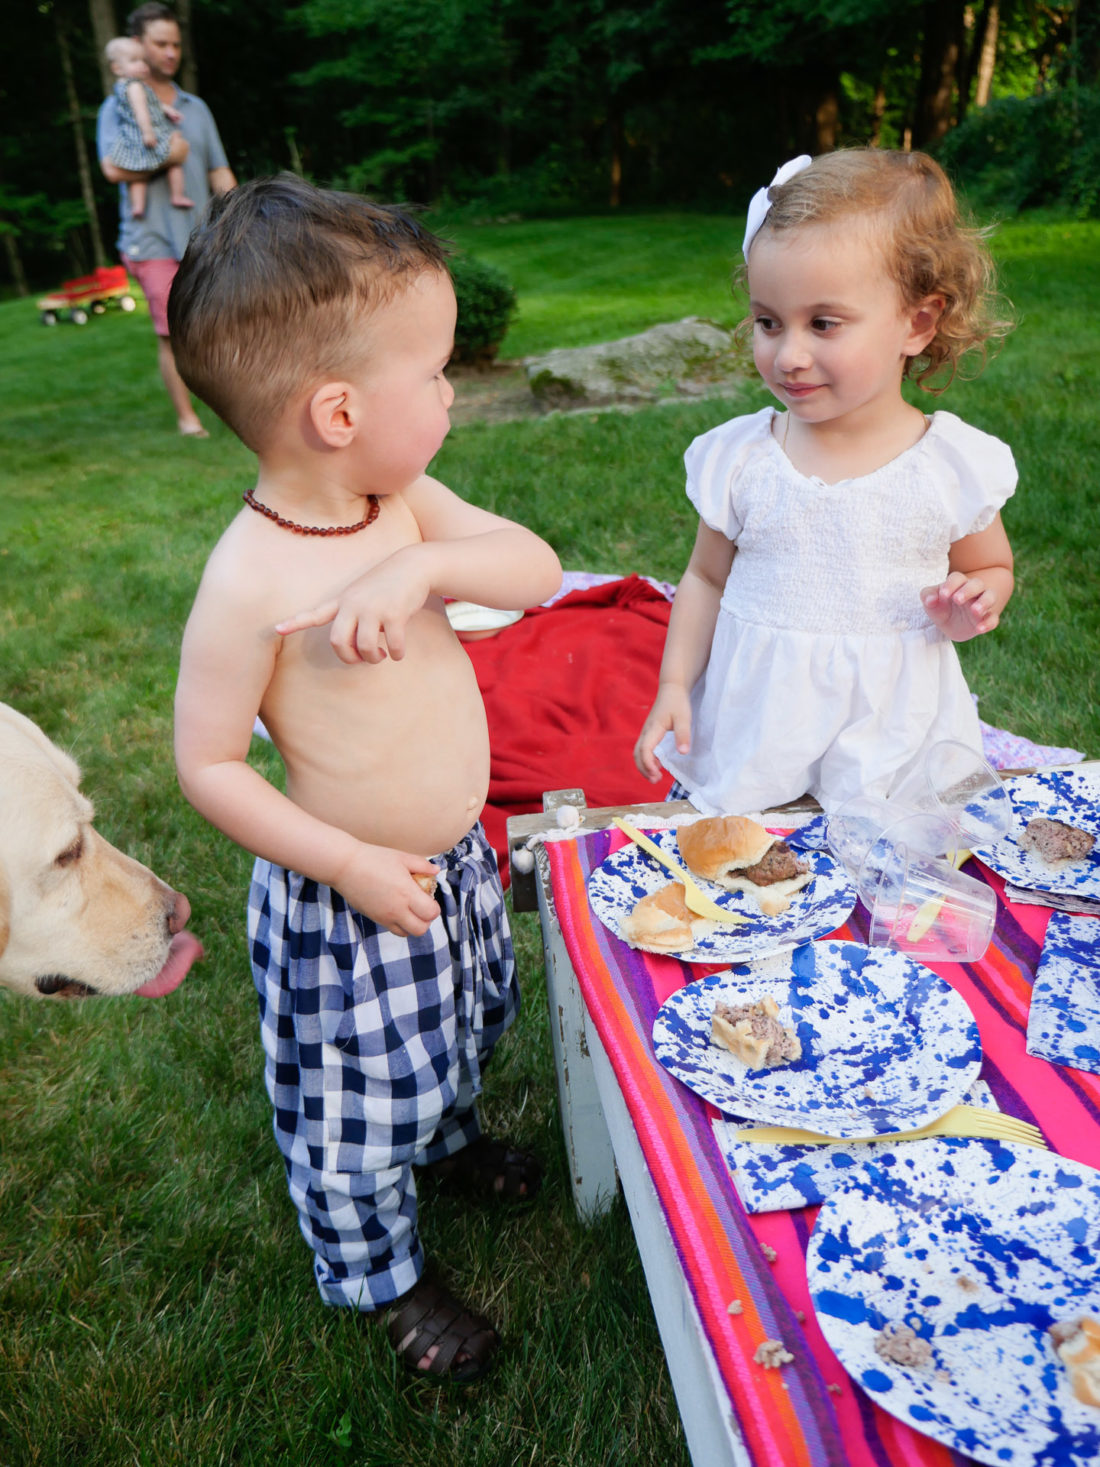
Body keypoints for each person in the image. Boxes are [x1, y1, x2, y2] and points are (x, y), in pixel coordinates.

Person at [169, 175, 563, 1382]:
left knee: (452, 1032)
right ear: (337, 411)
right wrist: (343, 860)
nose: (451, 391)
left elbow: (535, 568)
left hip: (448, 867)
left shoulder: (400, 506)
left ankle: (446, 1145)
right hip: (350, 899)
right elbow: (207, 764)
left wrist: (426, 567)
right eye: (435, 373)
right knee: (352, 1109)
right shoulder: (245, 585)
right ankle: (384, 1277)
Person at [634, 148, 1016, 816]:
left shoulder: (948, 465)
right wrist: (674, 683)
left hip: (896, 736)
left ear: (917, 323)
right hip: (762, 728)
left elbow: (991, 564)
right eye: (768, 322)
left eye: (824, 323)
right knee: (753, 870)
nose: (790, 355)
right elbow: (705, 579)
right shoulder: (746, 459)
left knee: (898, 880)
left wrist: (975, 599)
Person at [97, 3, 235, 437]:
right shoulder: (116, 106)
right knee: (171, 331)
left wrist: (242, 216)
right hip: (151, 238)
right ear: (138, 44)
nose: (171, 52)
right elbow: (112, 170)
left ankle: (233, 408)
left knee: (218, 325)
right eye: (161, 43)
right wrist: (168, 156)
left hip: (202, 235)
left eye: (176, 44)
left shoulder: (195, 107)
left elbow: (218, 168)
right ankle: (187, 419)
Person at [102, 36, 193, 219]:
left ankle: (138, 206)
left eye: (143, 60)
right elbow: (142, 110)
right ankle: (177, 194)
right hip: (146, 135)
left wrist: (166, 109)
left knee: (137, 173)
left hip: (131, 139)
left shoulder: (122, 87)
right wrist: (148, 132)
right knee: (176, 154)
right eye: (135, 61)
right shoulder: (135, 86)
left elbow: (152, 104)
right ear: (117, 68)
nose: (143, 65)